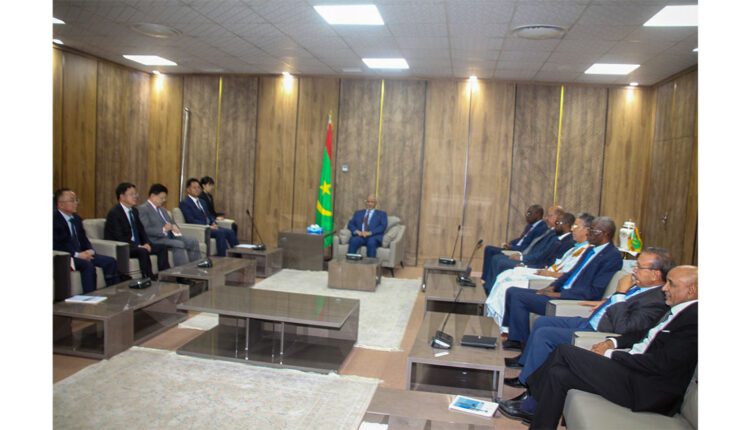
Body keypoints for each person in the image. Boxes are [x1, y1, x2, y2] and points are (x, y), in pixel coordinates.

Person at [497, 265, 698, 429]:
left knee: (565, 351)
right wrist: (613, 342)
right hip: (635, 373)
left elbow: (660, 364)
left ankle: (531, 393)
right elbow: (643, 334)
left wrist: (611, 354)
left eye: (671, 284)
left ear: (692, 290)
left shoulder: (694, 319)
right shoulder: (679, 309)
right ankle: (534, 413)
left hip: (647, 388)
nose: (664, 288)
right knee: (559, 374)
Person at [503, 247, 674, 392]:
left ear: (655, 274)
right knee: (542, 322)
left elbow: (624, 328)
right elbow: (623, 304)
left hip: (598, 331)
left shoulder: (657, 300)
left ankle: (528, 383)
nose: (634, 270)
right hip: (589, 320)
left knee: (545, 334)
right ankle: (526, 366)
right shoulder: (640, 287)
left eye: (639, 267)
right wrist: (604, 302)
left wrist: (620, 293)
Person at [502, 216, 623, 350]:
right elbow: (570, 273)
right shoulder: (591, 250)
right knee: (512, 291)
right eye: (589, 229)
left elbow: (594, 292)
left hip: (572, 299)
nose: (589, 233)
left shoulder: (612, 256)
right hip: (562, 291)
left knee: (519, 297)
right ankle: (515, 337)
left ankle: (518, 342)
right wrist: (552, 287)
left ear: (606, 234)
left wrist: (559, 294)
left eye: (593, 230)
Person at [485, 212, 593, 328]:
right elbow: (559, 264)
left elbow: (571, 275)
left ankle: (501, 325)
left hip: (551, 278)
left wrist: (550, 273)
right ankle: (495, 318)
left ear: (587, 230)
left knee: (508, 285)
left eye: (576, 226)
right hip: (547, 272)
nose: (572, 229)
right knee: (506, 275)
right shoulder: (575, 248)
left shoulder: (586, 251)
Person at [483, 207, 571, 295]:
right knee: (497, 259)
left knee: (500, 262)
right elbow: (533, 246)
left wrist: (523, 259)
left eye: (550, 216)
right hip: (531, 258)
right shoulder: (550, 231)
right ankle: (489, 290)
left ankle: (491, 292)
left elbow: (542, 255)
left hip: (537, 264)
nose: (546, 218)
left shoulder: (556, 236)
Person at [53, 188, 121, 293]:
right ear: (60, 204)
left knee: (110, 261)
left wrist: (90, 251)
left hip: (82, 254)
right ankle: (90, 296)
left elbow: (84, 239)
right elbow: (58, 245)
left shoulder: (76, 219)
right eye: (72, 200)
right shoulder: (54, 220)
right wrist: (77, 255)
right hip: (66, 257)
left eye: (76, 200)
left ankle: (113, 293)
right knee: (88, 266)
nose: (76, 203)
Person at [104, 182, 169, 280]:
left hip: (137, 245)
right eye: (132, 194)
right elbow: (119, 237)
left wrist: (146, 243)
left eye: (135, 194)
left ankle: (165, 278)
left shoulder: (134, 211)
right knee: (143, 251)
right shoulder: (114, 213)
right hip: (124, 247)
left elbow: (141, 230)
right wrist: (138, 246)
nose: (135, 196)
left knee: (162, 248)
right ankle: (149, 279)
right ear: (122, 196)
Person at [138, 184, 202, 267]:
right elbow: (145, 229)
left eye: (165, 198)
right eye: (162, 198)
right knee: (178, 244)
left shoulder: (162, 209)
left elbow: (172, 223)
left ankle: (196, 267)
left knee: (192, 240)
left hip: (171, 236)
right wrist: (163, 229)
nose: (164, 200)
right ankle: (182, 271)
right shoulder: (143, 209)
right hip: (156, 239)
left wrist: (174, 227)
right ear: (153, 196)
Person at [481, 205, 546, 284]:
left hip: (520, 252)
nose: (526, 216)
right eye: (527, 213)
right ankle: (485, 279)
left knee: (494, 254)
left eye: (529, 213)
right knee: (489, 249)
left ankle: (488, 282)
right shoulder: (530, 226)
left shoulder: (541, 228)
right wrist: (510, 243)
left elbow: (528, 246)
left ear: (537, 214)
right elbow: (521, 239)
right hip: (515, 248)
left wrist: (512, 247)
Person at [179, 178, 239, 257]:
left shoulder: (202, 202)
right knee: (221, 233)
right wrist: (208, 226)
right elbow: (191, 220)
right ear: (188, 189)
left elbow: (209, 215)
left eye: (198, 187)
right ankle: (222, 258)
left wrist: (213, 222)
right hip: (202, 228)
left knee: (230, 232)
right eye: (194, 188)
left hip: (210, 226)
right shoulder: (185, 203)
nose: (197, 189)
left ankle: (238, 257)